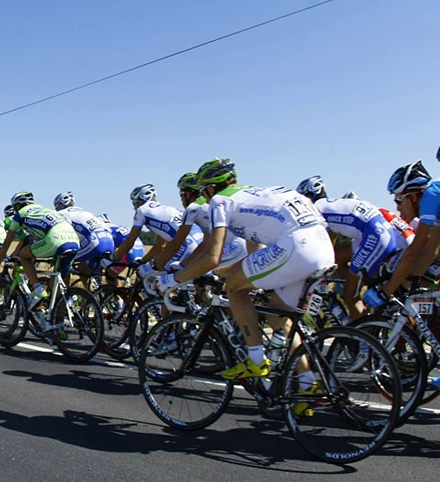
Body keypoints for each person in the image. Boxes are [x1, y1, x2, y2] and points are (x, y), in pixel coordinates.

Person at [159, 159, 335, 384]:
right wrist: (228, 270)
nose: (205, 197)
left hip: (296, 246)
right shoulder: (252, 197)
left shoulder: (220, 200)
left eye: (204, 191)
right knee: (278, 316)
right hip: (322, 247)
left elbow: (212, 256)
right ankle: (307, 383)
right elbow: (255, 253)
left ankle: (255, 359)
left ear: (211, 188)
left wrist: (173, 280)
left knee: (234, 287)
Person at [296, 175, 396, 319]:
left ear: (309, 197)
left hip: (374, 236)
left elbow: (317, 245)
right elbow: (330, 246)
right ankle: (352, 285)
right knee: (338, 258)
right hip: (378, 232)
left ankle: (363, 332)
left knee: (350, 294)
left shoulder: (316, 210)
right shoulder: (329, 206)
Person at [367, 161, 440, 305]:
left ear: (412, 196)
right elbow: (430, 250)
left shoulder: (430, 197)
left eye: (398, 200)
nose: (397, 208)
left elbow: (414, 251)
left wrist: (386, 291)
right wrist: (410, 280)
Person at [0, 192, 79, 309]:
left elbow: (6, 244)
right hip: (74, 240)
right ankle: (59, 314)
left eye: (14, 207)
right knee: (58, 284)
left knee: (23, 255)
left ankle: (38, 289)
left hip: (55, 239)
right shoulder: (43, 210)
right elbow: (37, 238)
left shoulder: (20, 214)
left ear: (18, 206)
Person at [113, 183, 203, 273]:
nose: (134, 207)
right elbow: (160, 246)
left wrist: (113, 257)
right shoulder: (162, 210)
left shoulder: (142, 211)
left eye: (134, 203)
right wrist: (143, 260)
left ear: (139, 201)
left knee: (152, 274)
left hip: (186, 243)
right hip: (200, 240)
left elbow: (130, 241)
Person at [51, 191, 117, 281]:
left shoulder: (61, 214)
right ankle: (95, 289)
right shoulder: (81, 211)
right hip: (109, 240)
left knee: (64, 259)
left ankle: (63, 289)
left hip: (94, 241)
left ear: (59, 205)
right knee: (84, 272)